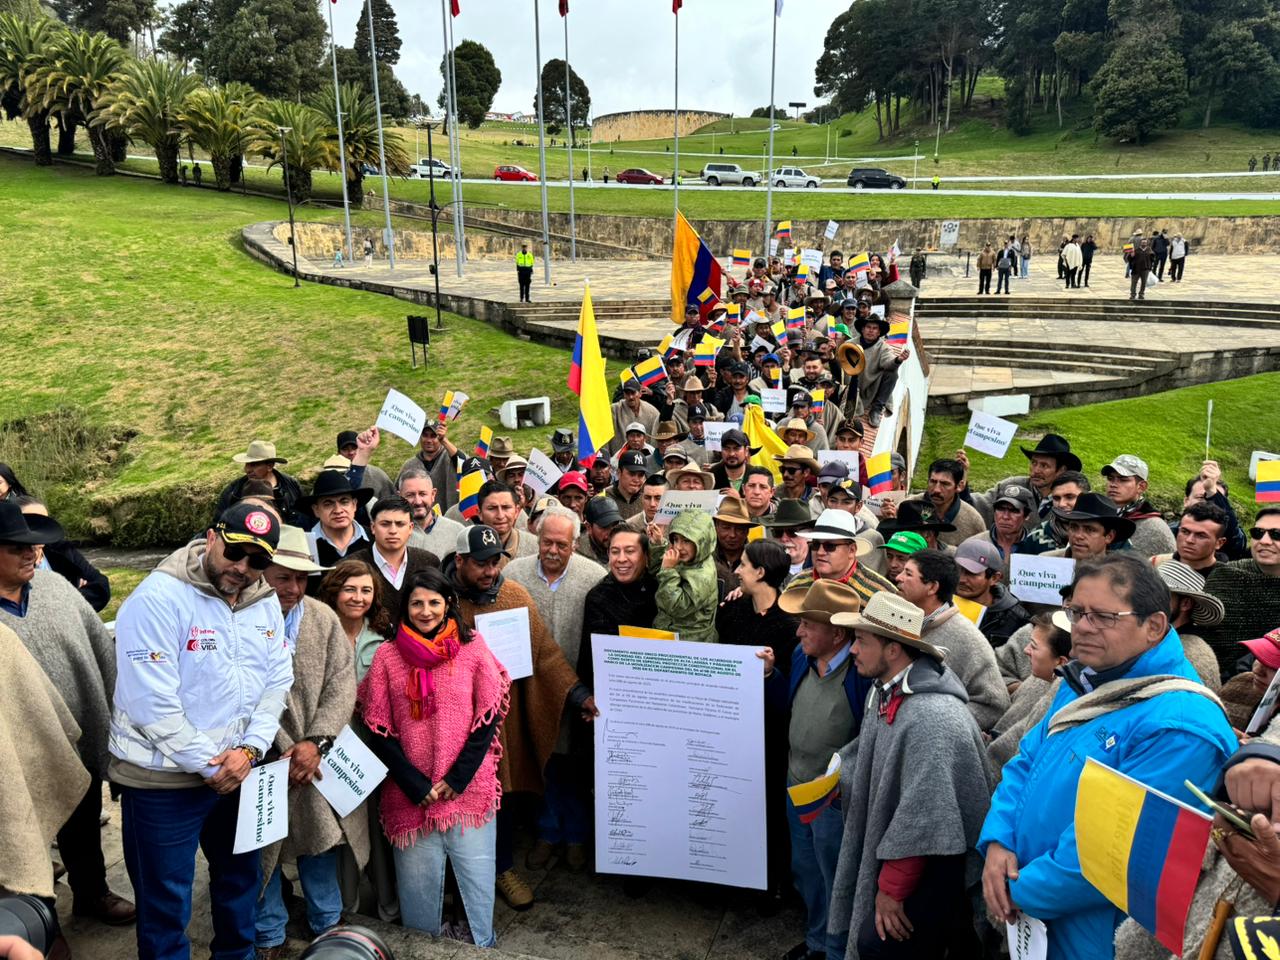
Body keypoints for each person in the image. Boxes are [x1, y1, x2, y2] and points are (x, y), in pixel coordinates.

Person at [979, 554, 1236, 959]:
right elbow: (1026, 760)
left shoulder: (1181, 726)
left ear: (1154, 626)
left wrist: (1014, 890)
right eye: (1077, 612)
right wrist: (997, 841)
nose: (1081, 627)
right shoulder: (1087, 677)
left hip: (1091, 938)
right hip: (1032, 920)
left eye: (1103, 616)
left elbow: (1108, 856)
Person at [111, 503, 293, 960]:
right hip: (162, 781)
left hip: (239, 772)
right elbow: (151, 703)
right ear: (212, 538)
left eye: (258, 561)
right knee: (166, 903)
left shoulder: (264, 600)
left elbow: (277, 680)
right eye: (235, 552)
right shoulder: (157, 598)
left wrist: (250, 750)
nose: (243, 568)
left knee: (240, 884)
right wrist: (213, 765)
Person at [826, 591, 992, 960]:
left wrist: (890, 891)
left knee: (878, 945)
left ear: (893, 649)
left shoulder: (932, 716)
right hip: (903, 860)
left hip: (929, 869)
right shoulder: (884, 691)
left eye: (861, 640)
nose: (853, 650)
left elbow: (927, 818)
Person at [446, 525, 596, 911]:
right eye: (481, 564)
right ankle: (457, 875)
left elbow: (545, 652)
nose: (490, 571)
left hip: (501, 723)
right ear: (460, 561)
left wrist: (579, 694)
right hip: (452, 722)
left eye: (495, 563)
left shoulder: (513, 595)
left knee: (502, 795)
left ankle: (502, 868)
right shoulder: (441, 600)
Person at [0, 502, 134, 930]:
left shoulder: (55, 589)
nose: (31, 553)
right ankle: (37, 926)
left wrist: (113, 719)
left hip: (76, 735)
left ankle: (91, 894)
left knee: (82, 820)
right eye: (15, 547)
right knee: (19, 837)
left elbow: (99, 651)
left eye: (31, 544)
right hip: (14, 751)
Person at [359, 568, 510, 945]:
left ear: (448, 604)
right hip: (410, 793)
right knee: (418, 891)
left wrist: (457, 778)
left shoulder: (472, 647)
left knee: (475, 880)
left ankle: (479, 943)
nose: (425, 611)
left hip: (467, 788)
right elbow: (378, 727)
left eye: (433, 602)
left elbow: (488, 715)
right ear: (405, 607)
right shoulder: (388, 656)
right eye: (416, 603)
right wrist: (414, 784)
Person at [255, 528, 369, 960]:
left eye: (301, 578)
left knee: (319, 841)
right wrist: (278, 747)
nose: (293, 588)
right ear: (262, 573)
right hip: (261, 758)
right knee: (261, 846)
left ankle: (328, 924)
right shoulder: (240, 618)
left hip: (313, 756)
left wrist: (314, 742)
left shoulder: (322, 618)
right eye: (283, 577)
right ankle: (268, 933)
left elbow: (342, 685)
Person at [769, 580, 873, 960]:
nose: (799, 632)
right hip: (795, 786)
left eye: (807, 625)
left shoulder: (861, 675)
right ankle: (817, 941)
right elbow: (789, 707)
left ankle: (835, 950)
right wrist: (771, 677)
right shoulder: (802, 655)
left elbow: (869, 739)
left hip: (833, 801)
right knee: (805, 870)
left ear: (837, 634)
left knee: (836, 878)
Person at [504, 508, 606, 871]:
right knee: (543, 764)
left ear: (575, 544)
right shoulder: (513, 574)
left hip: (578, 690)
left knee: (574, 767)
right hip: (529, 692)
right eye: (546, 542)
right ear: (536, 537)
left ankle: (576, 836)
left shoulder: (594, 577)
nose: (552, 550)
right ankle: (547, 833)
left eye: (561, 545)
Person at [0, 620, 93, 960]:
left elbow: (43, 726)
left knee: (21, 847)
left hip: (9, 798)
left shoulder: (2, 640)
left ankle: (40, 923)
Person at [893, 549, 1009, 730]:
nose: (898, 577)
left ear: (932, 587)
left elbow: (995, 705)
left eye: (908, 574)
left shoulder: (967, 638)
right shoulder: (897, 618)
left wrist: (935, 724)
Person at [985, 612, 1072, 777]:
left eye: (1034, 646)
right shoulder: (1037, 681)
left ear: (1061, 662)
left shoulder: (1057, 704)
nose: (1026, 650)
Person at [578, 527, 658, 688]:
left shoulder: (661, 590)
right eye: (615, 552)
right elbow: (592, 659)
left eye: (630, 551)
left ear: (646, 556)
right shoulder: (598, 598)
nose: (621, 559)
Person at [1205, 508, 1280, 675]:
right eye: (1258, 533)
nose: (1264, 541)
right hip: (1211, 675)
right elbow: (1205, 637)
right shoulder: (1225, 575)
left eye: (1276, 535)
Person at [348, 495, 441, 627]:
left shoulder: (429, 562)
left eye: (400, 524)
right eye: (385, 524)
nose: (393, 531)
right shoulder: (350, 566)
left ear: (410, 528)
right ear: (373, 527)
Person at [16, 497, 110, 611]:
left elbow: (101, 586)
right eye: (32, 523)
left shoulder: (62, 549)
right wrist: (75, 593)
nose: (41, 529)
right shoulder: (9, 562)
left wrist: (65, 600)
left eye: (45, 522)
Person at [787, 509, 897, 604]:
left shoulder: (882, 595)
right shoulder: (797, 584)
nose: (820, 552)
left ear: (851, 550)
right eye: (815, 545)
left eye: (830, 546)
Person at [649, 509, 718, 642]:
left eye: (686, 541)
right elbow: (658, 574)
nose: (679, 547)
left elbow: (677, 607)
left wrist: (668, 570)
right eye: (676, 540)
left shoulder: (704, 575)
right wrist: (658, 545)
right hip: (668, 633)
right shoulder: (690, 558)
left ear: (702, 541)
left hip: (690, 641)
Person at [1155, 559, 1225, 689]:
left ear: (1186, 604)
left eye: (1163, 596)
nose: (1152, 601)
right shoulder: (1159, 638)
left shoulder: (1192, 653)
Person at [952, 538, 1031, 648]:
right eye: (958, 570)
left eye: (971, 573)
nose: (962, 579)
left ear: (994, 578)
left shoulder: (1016, 620)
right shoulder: (938, 602)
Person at [214, 439, 305, 527]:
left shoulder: (291, 485)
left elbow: (305, 518)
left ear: (270, 466)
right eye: (247, 464)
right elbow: (218, 523)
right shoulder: (233, 490)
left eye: (254, 465)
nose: (247, 470)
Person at [1101, 454, 1176, 556]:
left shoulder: (1154, 528)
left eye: (1123, 480)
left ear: (1141, 487)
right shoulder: (1098, 515)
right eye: (1110, 478)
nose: (1113, 484)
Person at [960, 482, 1036, 576]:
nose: (1005, 516)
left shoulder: (1036, 547)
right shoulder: (973, 545)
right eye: (1000, 509)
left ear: (1027, 516)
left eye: (1014, 511)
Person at [302, 471, 373, 570]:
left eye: (344, 502)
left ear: (354, 505)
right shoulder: (304, 545)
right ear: (316, 510)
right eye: (328, 504)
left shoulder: (375, 539)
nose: (338, 510)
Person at [906, 459, 985, 546]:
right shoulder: (906, 507)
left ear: (960, 486)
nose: (937, 490)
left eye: (945, 484)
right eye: (933, 482)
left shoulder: (974, 522)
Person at [1045, 491, 1136, 562]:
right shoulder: (1046, 562)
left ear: (1109, 536)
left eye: (1089, 529)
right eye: (1074, 527)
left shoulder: (1123, 574)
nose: (1078, 536)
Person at [398, 466, 466, 558]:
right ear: (400, 496)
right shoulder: (393, 533)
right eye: (410, 495)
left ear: (433, 494)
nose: (418, 501)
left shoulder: (457, 531)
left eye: (422, 494)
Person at [401, 422, 461, 512]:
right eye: (425, 435)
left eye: (433, 436)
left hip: (450, 517)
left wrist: (444, 440)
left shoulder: (451, 459)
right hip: (418, 518)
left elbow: (465, 464)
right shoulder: (409, 465)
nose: (429, 440)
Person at [474, 480, 537, 565]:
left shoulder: (535, 546)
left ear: (517, 511)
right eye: (492, 508)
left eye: (506, 507)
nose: (500, 516)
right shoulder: (468, 546)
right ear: (480, 513)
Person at [1161, 500, 1230, 574]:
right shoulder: (1156, 565)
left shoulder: (1229, 578)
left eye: (1201, 536)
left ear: (1219, 543)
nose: (1189, 540)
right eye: (1185, 532)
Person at [337, 430, 394, 500]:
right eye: (345, 449)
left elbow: (392, 501)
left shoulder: (377, 475)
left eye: (354, 448)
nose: (351, 452)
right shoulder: (332, 478)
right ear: (338, 453)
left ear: (361, 447)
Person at [576, 495, 622, 563]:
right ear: (589, 527)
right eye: (605, 527)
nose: (611, 532)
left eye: (614, 525)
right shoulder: (577, 555)